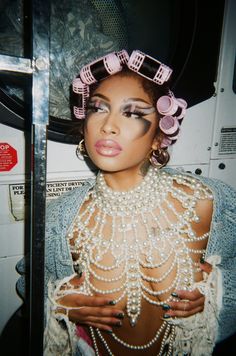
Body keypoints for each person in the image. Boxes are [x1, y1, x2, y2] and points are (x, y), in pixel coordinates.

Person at [16, 50, 236, 355]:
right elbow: (29, 284)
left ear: (159, 136)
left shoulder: (206, 203)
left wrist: (220, 290)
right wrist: (57, 302)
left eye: (133, 112)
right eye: (98, 108)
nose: (108, 125)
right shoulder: (60, 221)